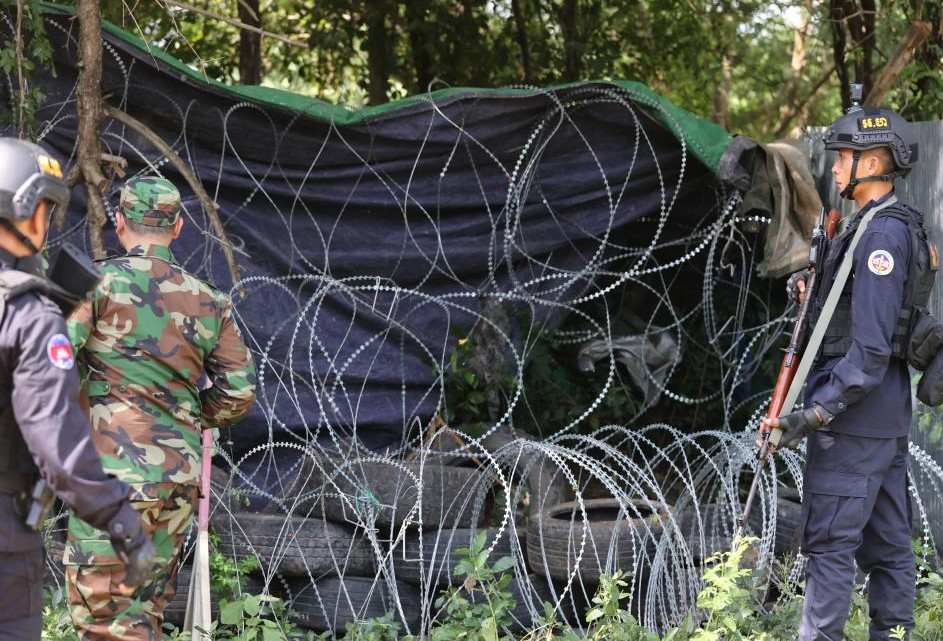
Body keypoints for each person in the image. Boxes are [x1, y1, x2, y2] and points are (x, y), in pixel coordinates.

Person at [760, 96, 931, 640]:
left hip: (853, 418)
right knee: (888, 549)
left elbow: (871, 349)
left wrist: (812, 415)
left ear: (874, 163)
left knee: (832, 549)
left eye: (843, 155)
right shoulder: (867, 226)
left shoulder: (881, 234)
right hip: (878, 416)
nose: (833, 166)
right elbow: (848, 313)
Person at [64, 175, 257, 639]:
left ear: (120, 221)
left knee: (103, 619)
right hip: (175, 478)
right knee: (143, 611)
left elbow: (48, 361)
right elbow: (239, 392)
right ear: (178, 227)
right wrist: (184, 420)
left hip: (111, 475)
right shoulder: (210, 300)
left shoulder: (95, 282)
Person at [0, 137, 153, 640]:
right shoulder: (27, 315)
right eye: (44, 208)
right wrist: (118, 517)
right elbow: (57, 444)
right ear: (25, 212)